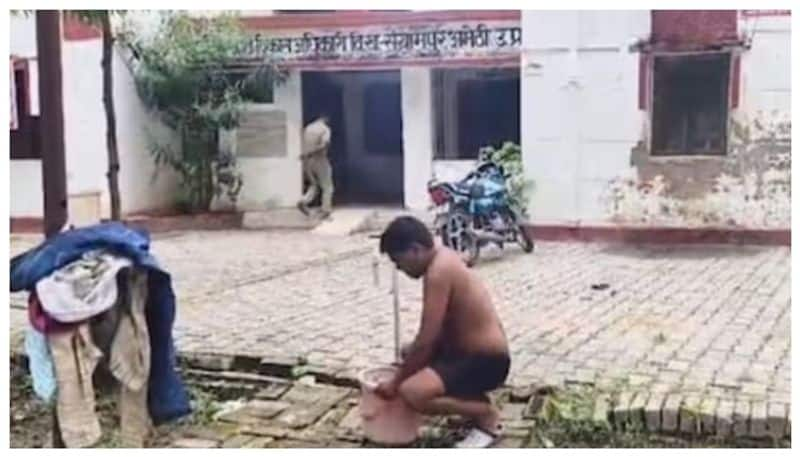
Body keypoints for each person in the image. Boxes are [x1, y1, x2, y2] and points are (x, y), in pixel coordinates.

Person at [375, 216, 511, 448]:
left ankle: (486, 415)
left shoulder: (438, 272)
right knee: (409, 354)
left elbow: (427, 340)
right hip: (463, 351)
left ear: (416, 250)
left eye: (399, 262)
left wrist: (396, 382)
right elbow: (429, 339)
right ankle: (470, 401)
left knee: (412, 392)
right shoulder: (443, 256)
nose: (399, 269)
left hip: (486, 362)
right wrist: (412, 363)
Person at [297, 115, 334, 219]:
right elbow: (325, 144)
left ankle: (303, 201)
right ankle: (326, 210)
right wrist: (313, 152)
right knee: (328, 187)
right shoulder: (325, 129)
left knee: (314, 185)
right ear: (326, 119)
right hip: (319, 159)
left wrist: (306, 154)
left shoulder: (308, 128)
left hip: (307, 161)